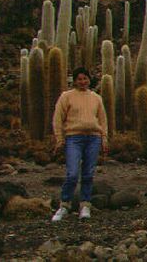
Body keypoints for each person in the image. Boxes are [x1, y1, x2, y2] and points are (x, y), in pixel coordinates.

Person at [51, 67, 108, 221]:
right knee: (72, 174)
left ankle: (85, 205)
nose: (83, 82)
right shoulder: (66, 97)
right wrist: (59, 139)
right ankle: (64, 205)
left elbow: (102, 120)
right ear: (74, 81)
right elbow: (58, 118)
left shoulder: (96, 98)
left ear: (89, 80)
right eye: (79, 79)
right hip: (73, 138)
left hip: (93, 138)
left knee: (88, 174)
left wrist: (104, 138)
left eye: (85, 78)